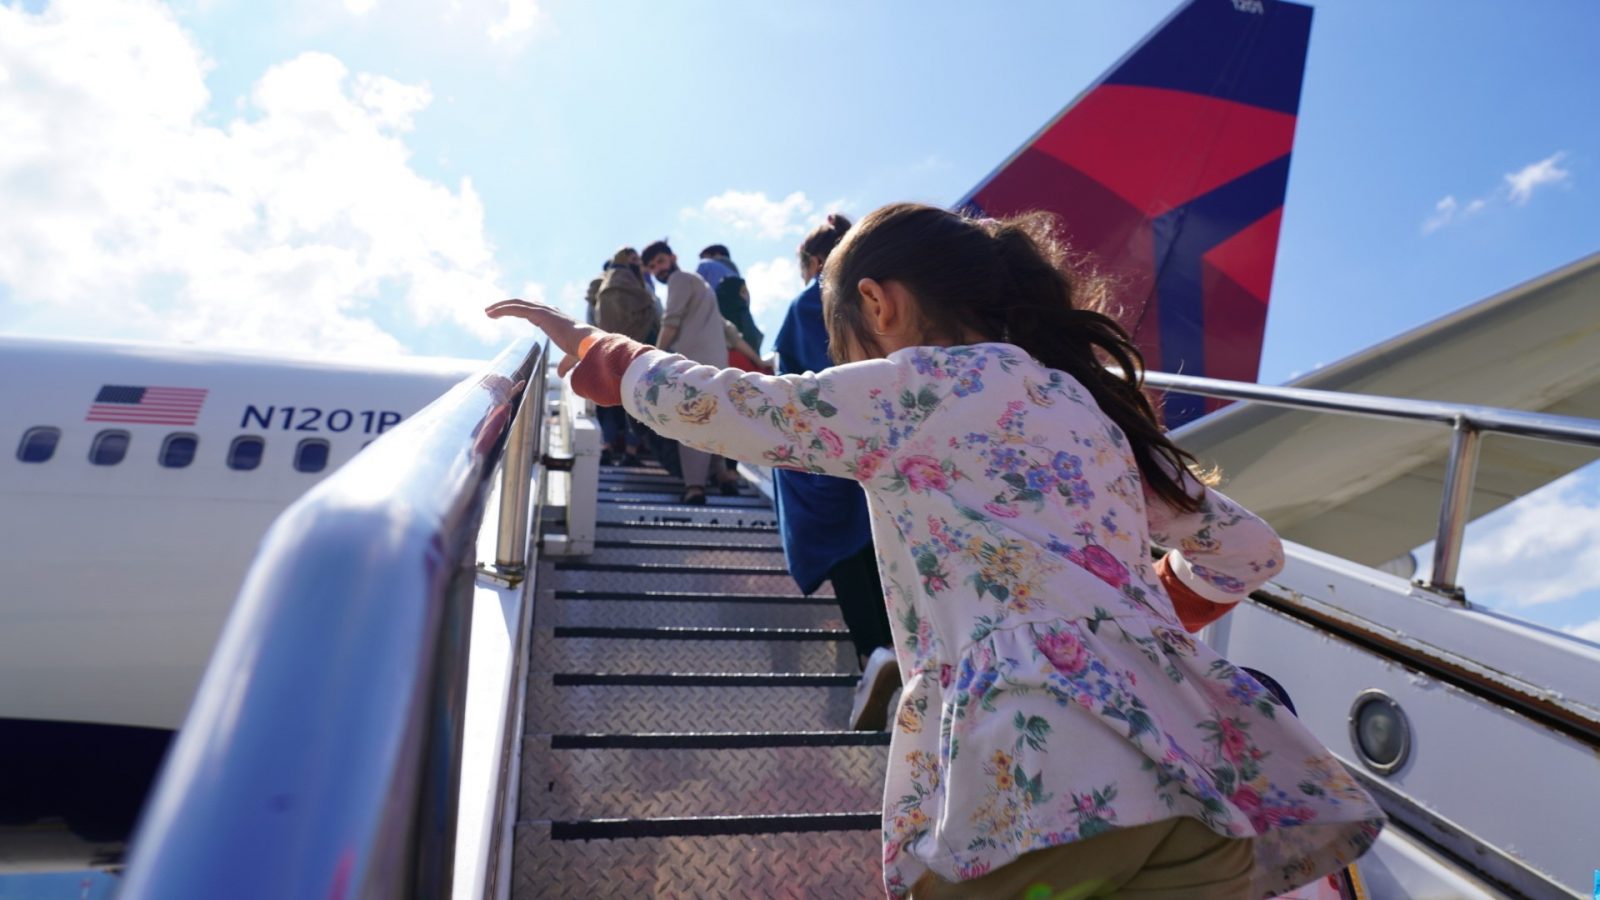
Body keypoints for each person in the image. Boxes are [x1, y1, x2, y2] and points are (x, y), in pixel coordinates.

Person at [487, 202, 1383, 899]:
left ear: (879, 304)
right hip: (1198, 798)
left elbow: (750, 414)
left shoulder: (926, 385)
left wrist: (603, 352)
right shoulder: (1089, 414)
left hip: (1043, 789)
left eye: (845, 348)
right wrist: (1145, 618)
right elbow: (1248, 549)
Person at [773, 213, 898, 730]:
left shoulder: (811, 302)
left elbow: (791, 385)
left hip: (822, 455)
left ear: (814, 261)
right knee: (875, 551)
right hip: (877, 447)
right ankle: (892, 654)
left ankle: (874, 656)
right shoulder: (881, 297)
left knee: (844, 556)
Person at [640, 239, 741, 503]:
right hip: (717, 363)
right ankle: (723, 475)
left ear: (673, 257)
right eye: (651, 267)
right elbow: (728, 329)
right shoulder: (700, 283)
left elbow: (670, 321)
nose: (657, 270)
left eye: (660, 262)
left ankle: (695, 486)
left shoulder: (679, 280)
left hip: (693, 363)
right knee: (714, 420)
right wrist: (757, 359)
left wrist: (655, 357)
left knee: (690, 420)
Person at [593, 247, 660, 466]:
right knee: (630, 404)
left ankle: (610, 448)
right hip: (632, 351)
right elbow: (650, 313)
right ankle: (626, 450)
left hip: (610, 350)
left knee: (612, 404)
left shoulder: (603, 287)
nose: (636, 263)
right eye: (632, 259)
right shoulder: (632, 284)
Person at [699, 243, 764, 357]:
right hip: (745, 331)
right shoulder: (737, 276)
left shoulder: (706, 265)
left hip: (720, 328)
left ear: (717, 254)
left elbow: (698, 296)